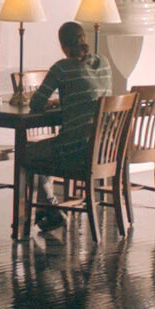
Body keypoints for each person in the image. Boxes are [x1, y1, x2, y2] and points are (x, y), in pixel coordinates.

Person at [25, 21, 114, 231]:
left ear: (63, 46)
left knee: (28, 152)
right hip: (105, 148)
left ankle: (48, 209)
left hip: (76, 149)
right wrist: (65, 102)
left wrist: (52, 102)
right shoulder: (104, 64)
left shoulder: (62, 68)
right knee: (42, 152)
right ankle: (47, 210)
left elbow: (36, 103)